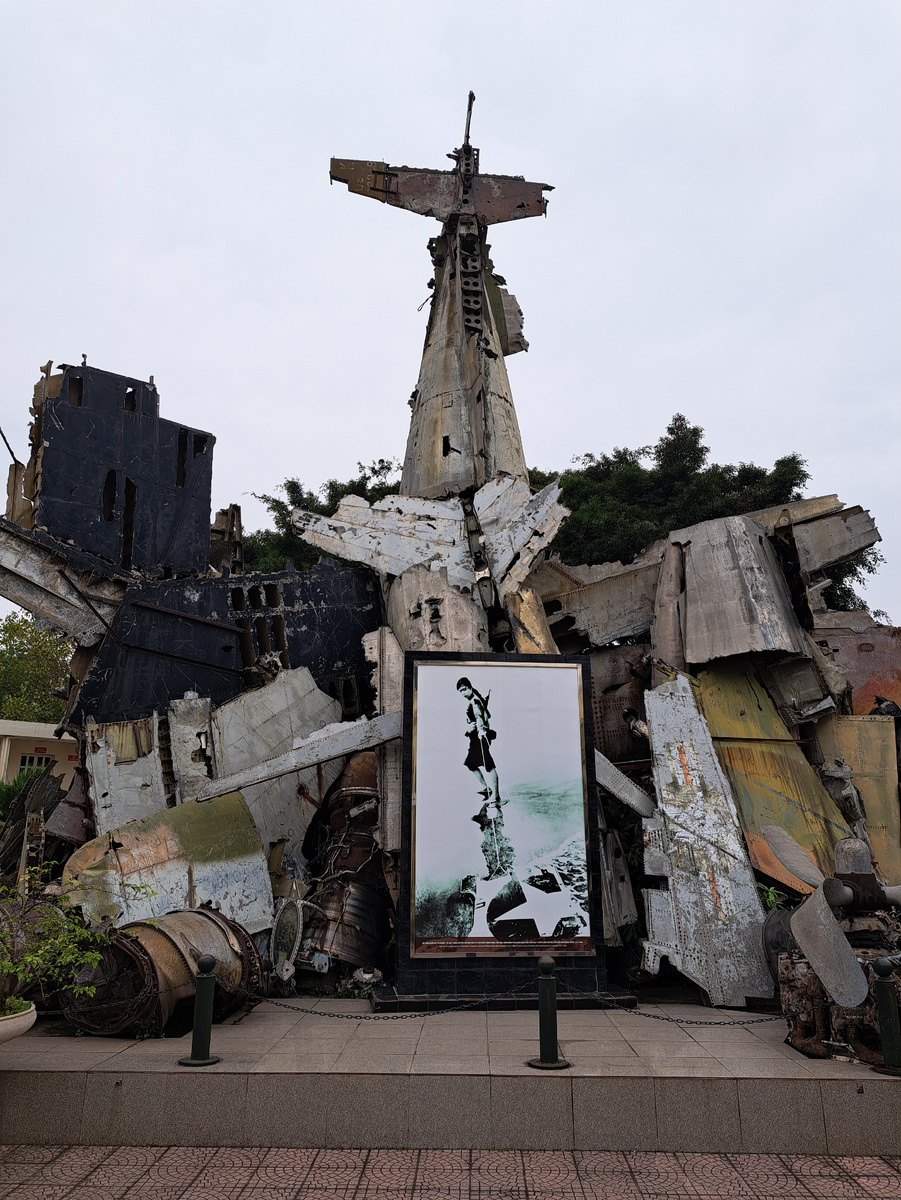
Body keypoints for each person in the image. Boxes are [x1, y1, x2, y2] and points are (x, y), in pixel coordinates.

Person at [456, 677, 501, 819]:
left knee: (489, 766)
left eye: (464, 689)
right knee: (471, 763)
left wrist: (481, 729)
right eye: (460, 691)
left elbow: (479, 716)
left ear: (469, 687)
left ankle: (496, 796)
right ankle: (486, 789)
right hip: (476, 738)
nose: (463, 693)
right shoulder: (475, 698)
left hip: (480, 737)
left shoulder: (474, 701)